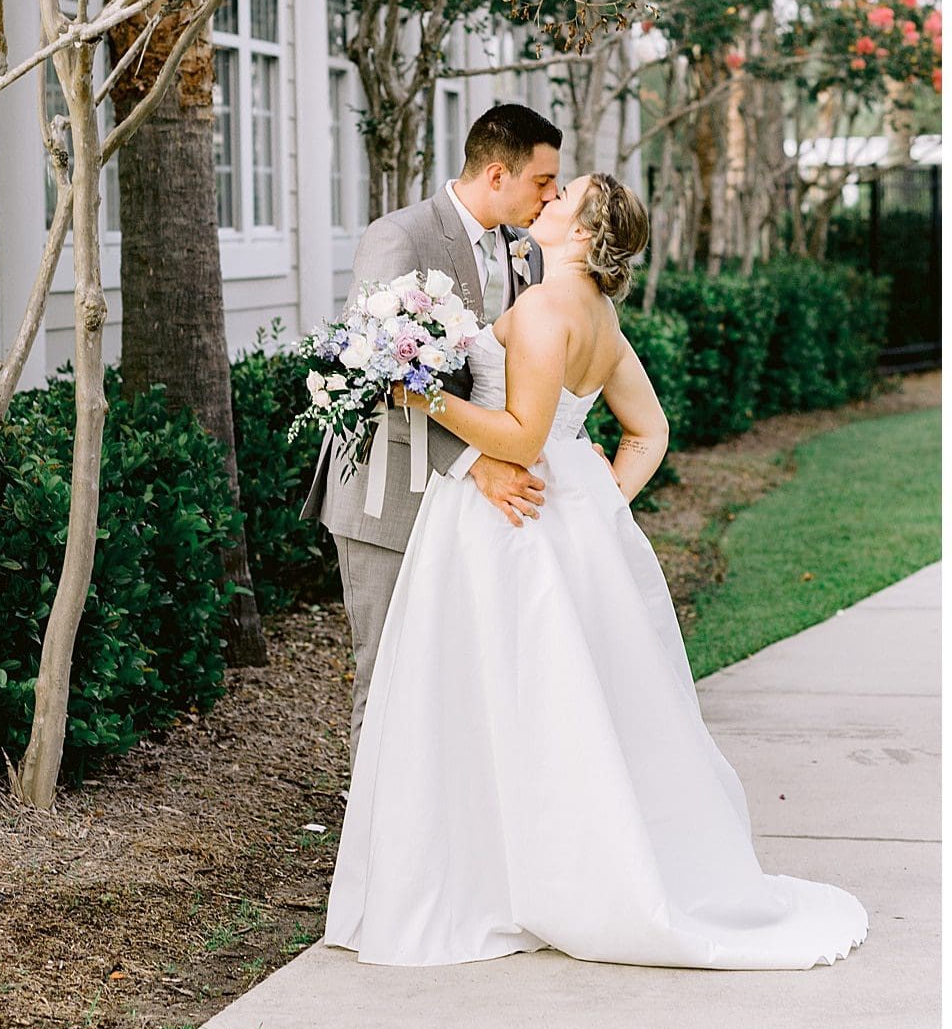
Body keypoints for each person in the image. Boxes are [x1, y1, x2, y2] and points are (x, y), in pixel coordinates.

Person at [326, 172, 868, 969]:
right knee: (540, 697)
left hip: (504, 525)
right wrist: (592, 506)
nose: (544, 204)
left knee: (494, 690)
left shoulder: (547, 309)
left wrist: (418, 396)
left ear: (581, 234)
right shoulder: (600, 316)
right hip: (552, 517)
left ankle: (502, 881)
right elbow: (649, 434)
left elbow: (519, 436)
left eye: (560, 199)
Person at [303, 103, 562, 755]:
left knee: (449, 680)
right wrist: (478, 459)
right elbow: (370, 375)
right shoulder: (403, 237)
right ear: (497, 174)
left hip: (473, 510)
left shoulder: (526, 253)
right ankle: (369, 854)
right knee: (386, 675)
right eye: (542, 181)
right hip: (387, 492)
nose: (552, 195)